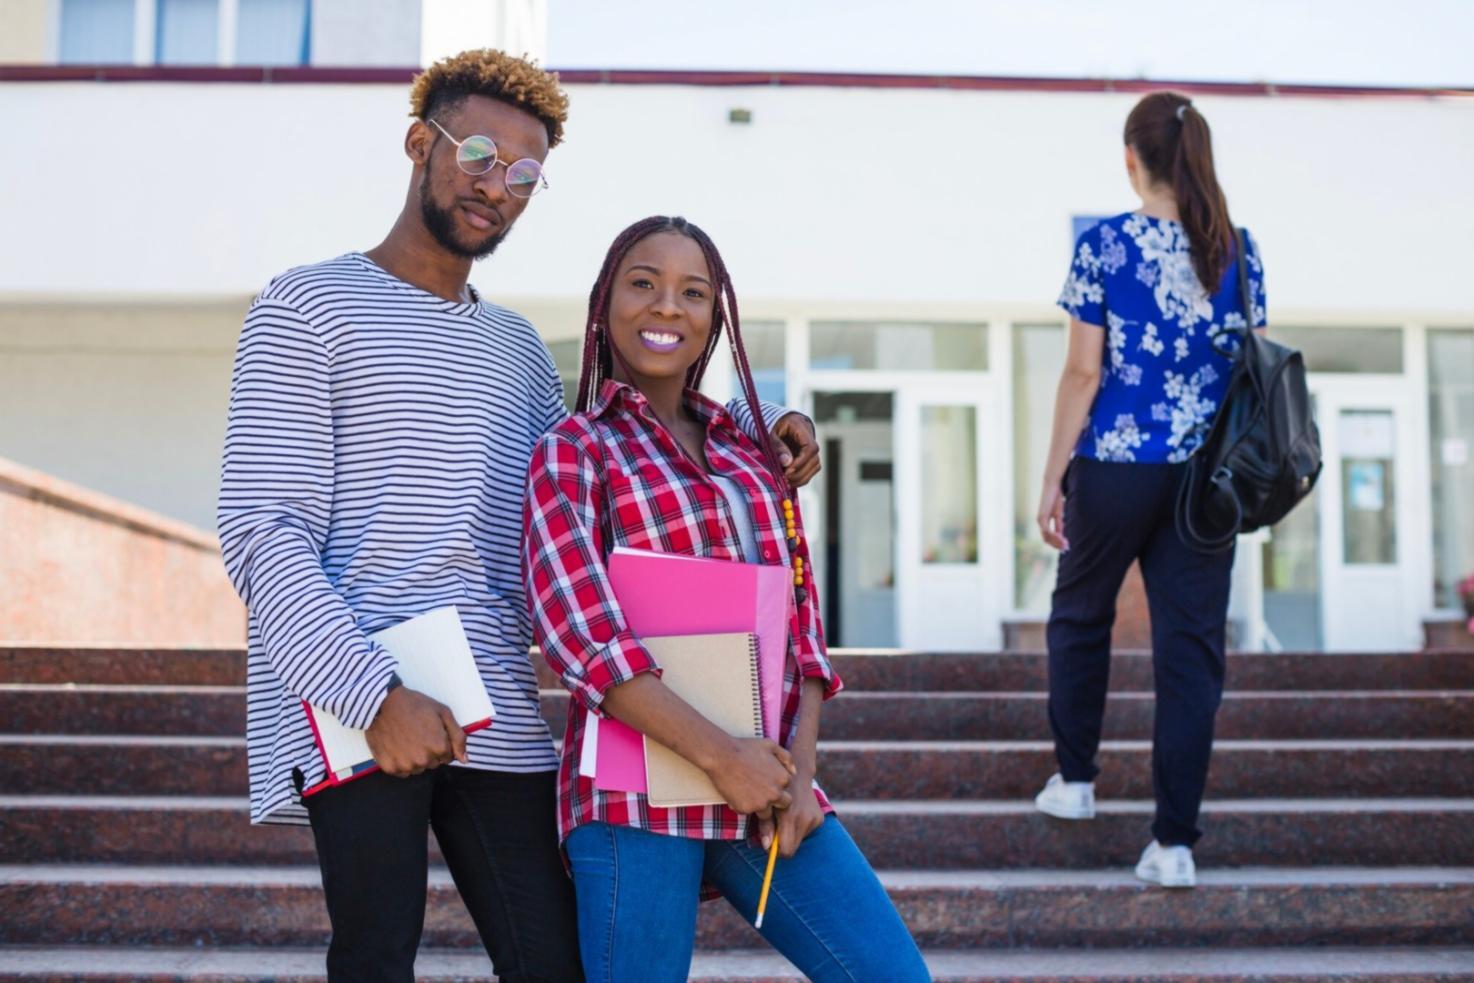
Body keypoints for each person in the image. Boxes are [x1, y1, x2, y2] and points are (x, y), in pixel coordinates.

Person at [217, 52, 820, 983]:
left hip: (493, 696)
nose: (500, 185)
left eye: (527, 173)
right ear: (422, 144)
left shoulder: (517, 355)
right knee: (376, 958)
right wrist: (372, 694)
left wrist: (759, 427)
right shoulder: (307, 307)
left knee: (552, 964)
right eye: (482, 154)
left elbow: (626, 431)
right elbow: (263, 531)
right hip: (353, 696)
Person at [523, 215, 931, 983]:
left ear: (718, 315)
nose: (667, 307)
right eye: (643, 284)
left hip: (766, 778)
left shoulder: (752, 454)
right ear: (605, 302)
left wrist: (798, 772)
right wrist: (724, 757)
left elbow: (801, 626)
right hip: (634, 794)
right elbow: (582, 637)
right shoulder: (574, 449)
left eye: (693, 292)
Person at [1033, 91, 1267, 889]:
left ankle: (1076, 782)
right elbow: (1254, 373)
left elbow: (1082, 371)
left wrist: (1052, 472)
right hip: (1207, 483)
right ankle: (1174, 845)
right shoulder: (1239, 249)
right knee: (1191, 652)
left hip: (1117, 465)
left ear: (1131, 159)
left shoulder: (1106, 243)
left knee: (1080, 614)